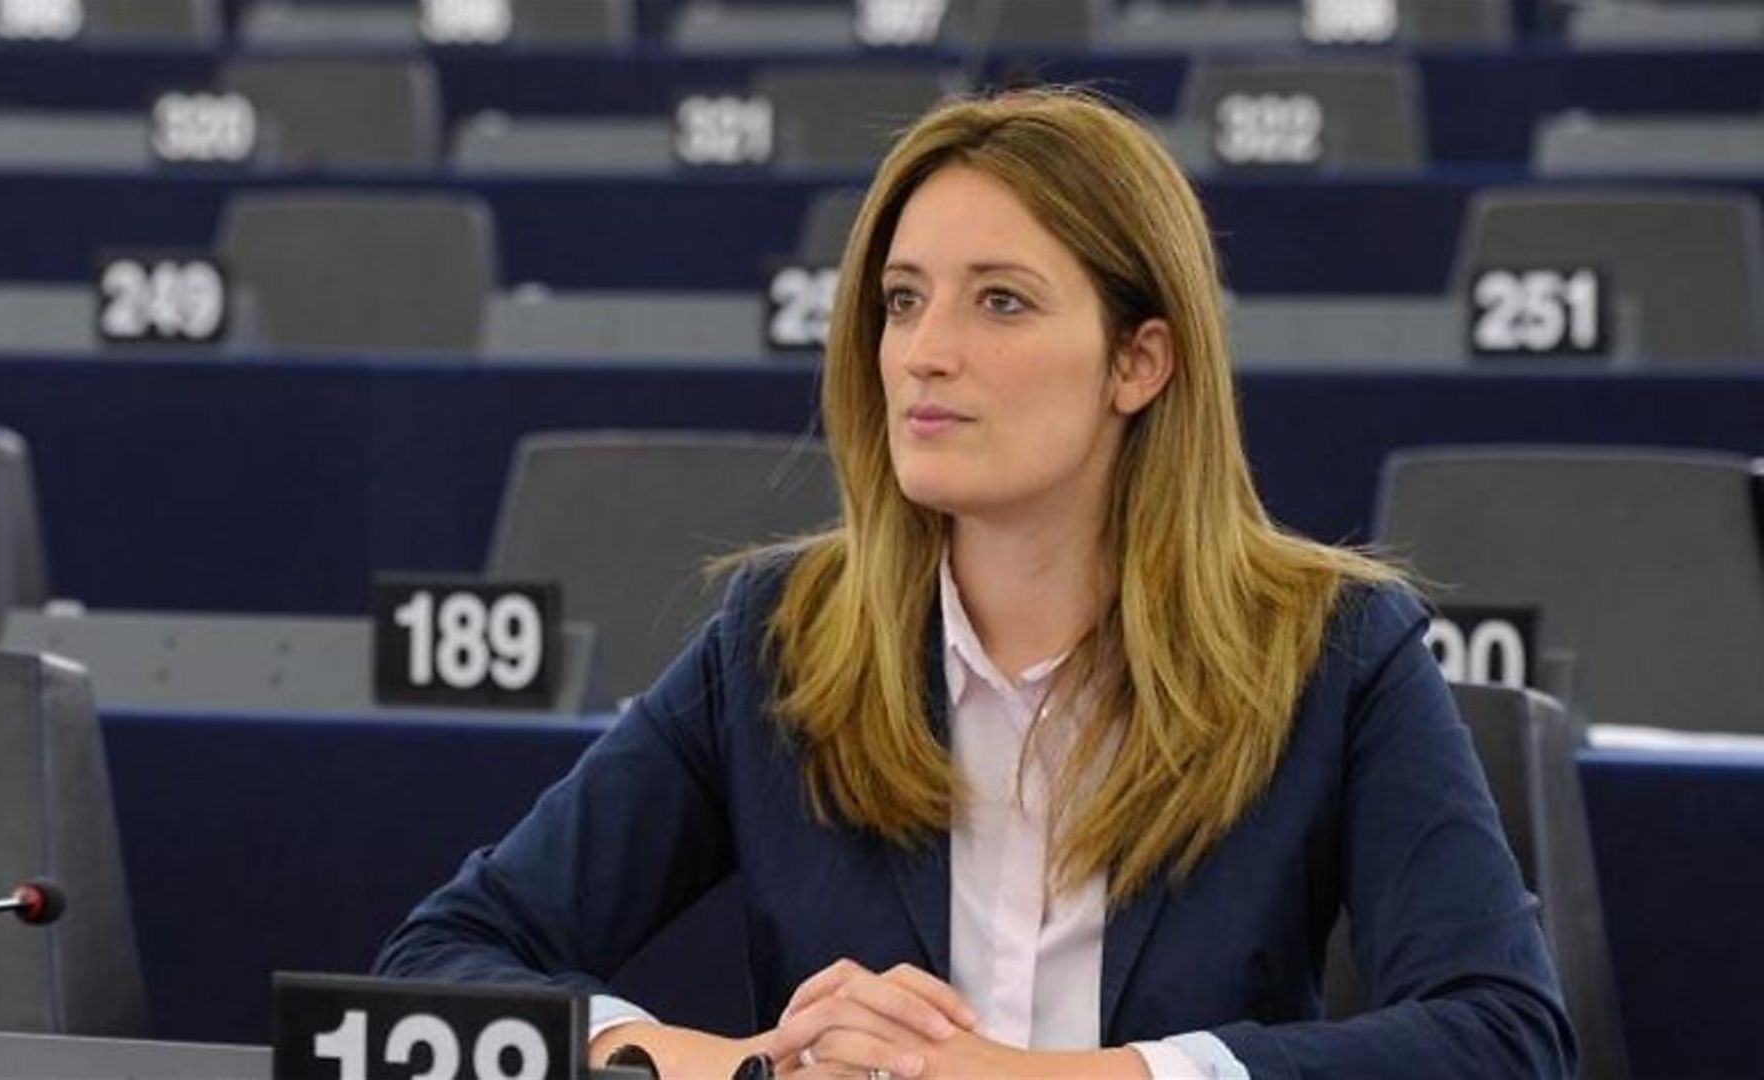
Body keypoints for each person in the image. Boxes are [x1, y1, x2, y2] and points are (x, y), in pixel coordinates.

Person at [376, 87, 1576, 1079]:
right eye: (903, 301)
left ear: (1139, 361)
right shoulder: (782, 642)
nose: (924, 351)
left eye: (999, 300)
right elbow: (446, 960)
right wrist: (727, 1065)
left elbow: (1503, 1038)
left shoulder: (1333, 648)